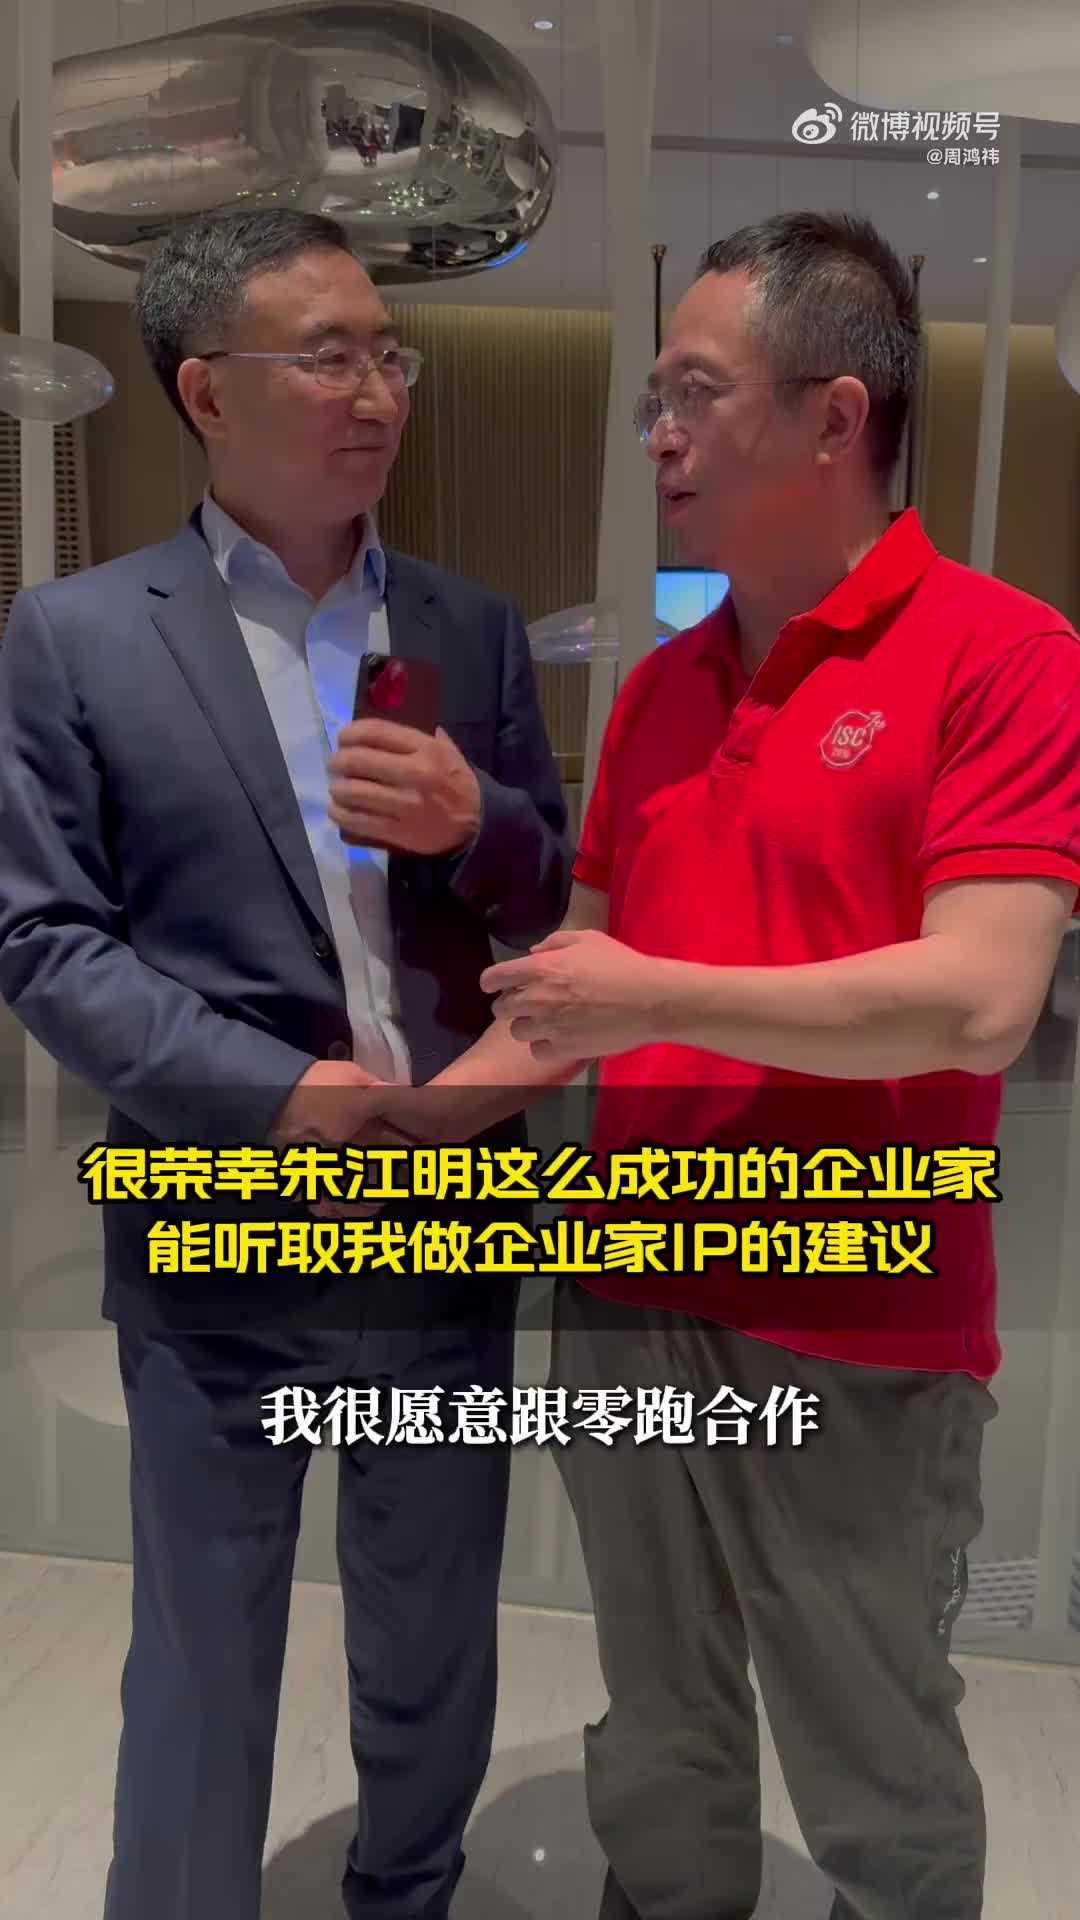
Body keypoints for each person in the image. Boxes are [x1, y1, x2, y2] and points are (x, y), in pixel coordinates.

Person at [372, 212, 1080, 1919]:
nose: (660, 436)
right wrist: (395, 1122)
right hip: (626, 1288)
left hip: (855, 1314)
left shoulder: (1005, 656)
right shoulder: (662, 692)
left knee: (875, 1760)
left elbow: (979, 1000)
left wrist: (655, 998)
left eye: (695, 393)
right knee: (660, 1728)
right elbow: (571, 992)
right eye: (654, 401)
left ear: (835, 418)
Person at [0, 208, 571, 1920]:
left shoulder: (470, 627)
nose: (376, 391)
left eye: (390, 354)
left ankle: (409, 1896)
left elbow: (545, 897)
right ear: (205, 391)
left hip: (447, 1211)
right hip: (222, 1231)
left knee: (434, 1633)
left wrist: (484, 825)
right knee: (202, 1652)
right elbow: (43, 938)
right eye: (327, 356)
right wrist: (271, 1094)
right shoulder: (78, 634)